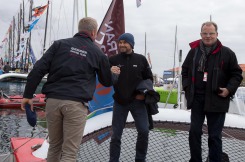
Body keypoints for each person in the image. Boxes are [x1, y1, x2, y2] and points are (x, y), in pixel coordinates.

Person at [21, 17, 113, 162]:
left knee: (54, 146)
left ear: (79, 29)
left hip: (53, 102)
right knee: (69, 152)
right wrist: (113, 73)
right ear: (94, 32)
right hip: (76, 105)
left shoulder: (59, 45)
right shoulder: (98, 54)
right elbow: (107, 81)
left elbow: (38, 70)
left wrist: (27, 95)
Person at [181, 21, 243, 162]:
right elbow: (185, 71)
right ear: (201, 34)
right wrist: (187, 87)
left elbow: (237, 74)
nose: (208, 36)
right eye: (205, 33)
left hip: (217, 99)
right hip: (197, 99)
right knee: (194, 132)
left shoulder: (227, 53)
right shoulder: (193, 52)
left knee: (214, 136)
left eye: (211, 33)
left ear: (217, 34)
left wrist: (229, 89)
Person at [109, 33, 153, 162]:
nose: (121, 44)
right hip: (119, 102)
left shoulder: (141, 59)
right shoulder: (112, 60)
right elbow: (106, 80)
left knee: (144, 131)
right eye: (120, 42)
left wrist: (142, 94)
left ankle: (140, 159)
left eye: (125, 42)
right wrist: (111, 73)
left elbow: (149, 78)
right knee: (116, 136)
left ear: (131, 44)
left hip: (138, 102)